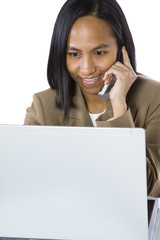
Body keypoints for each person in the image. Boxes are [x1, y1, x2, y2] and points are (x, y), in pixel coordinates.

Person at [24, 0, 160, 197]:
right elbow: (27, 190)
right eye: (74, 54)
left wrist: (118, 107)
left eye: (99, 52)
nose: (87, 68)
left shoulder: (154, 98)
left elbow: (148, 192)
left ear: (121, 51)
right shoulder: (42, 108)